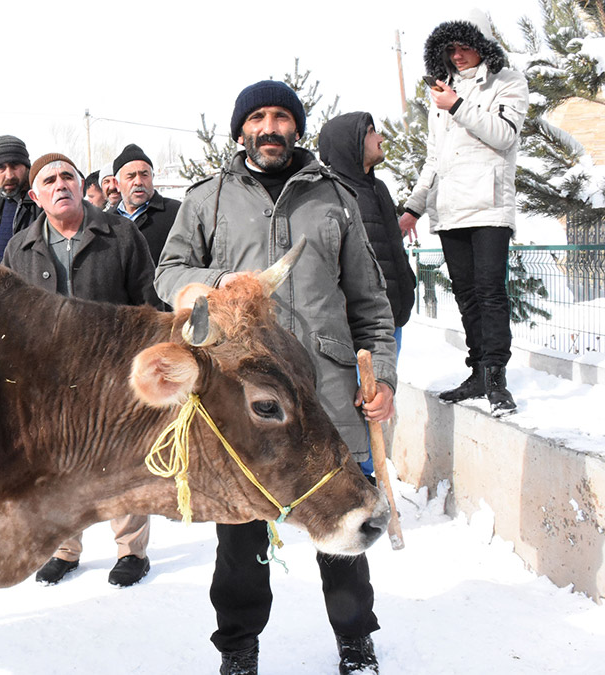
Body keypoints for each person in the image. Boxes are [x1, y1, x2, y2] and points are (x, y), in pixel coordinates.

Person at [155, 81, 397, 675]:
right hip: (245, 405)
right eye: (258, 118)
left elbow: (371, 302)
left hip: (328, 396)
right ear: (241, 131)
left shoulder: (334, 197)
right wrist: (221, 284)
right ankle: (238, 649)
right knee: (240, 540)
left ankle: (354, 641)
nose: (270, 128)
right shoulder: (207, 199)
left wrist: (382, 374)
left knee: (343, 522)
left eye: (282, 117)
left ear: (297, 128)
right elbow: (168, 272)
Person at [2, 153, 161, 589]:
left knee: (124, 462)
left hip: (114, 373)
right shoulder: (20, 247)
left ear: (80, 182)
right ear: (36, 196)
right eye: (49, 180)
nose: (60, 184)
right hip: (50, 380)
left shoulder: (120, 234)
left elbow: (148, 302)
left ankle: (132, 551)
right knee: (57, 465)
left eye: (67, 176)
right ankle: (63, 549)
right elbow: (8, 316)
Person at [399, 10, 528, 417]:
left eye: (465, 46)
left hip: (489, 206)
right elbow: (434, 157)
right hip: (450, 209)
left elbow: (504, 135)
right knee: (467, 295)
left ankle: (496, 378)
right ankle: (477, 371)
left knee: (491, 293)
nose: (457, 56)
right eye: (450, 48)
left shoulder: (509, 82)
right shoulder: (443, 90)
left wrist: (456, 104)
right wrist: (414, 208)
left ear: (483, 44)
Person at [319, 112, 417, 351]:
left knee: (385, 386)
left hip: (392, 319)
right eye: (372, 132)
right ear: (349, 142)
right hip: (355, 330)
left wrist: (407, 284)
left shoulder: (378, 188)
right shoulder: (329, 193)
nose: (381, 138)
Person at [112, 143, 181, 262]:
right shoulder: (106, 221)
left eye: (144, 175)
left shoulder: (176, 212)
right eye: (130, 176)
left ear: (153, 177)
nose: (138, 182)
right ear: (117, 183)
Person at [0, 135, 40, 261]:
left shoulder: (41, 204)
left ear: (27, 168)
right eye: (1, 168)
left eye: (14, 165)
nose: (9, 175)